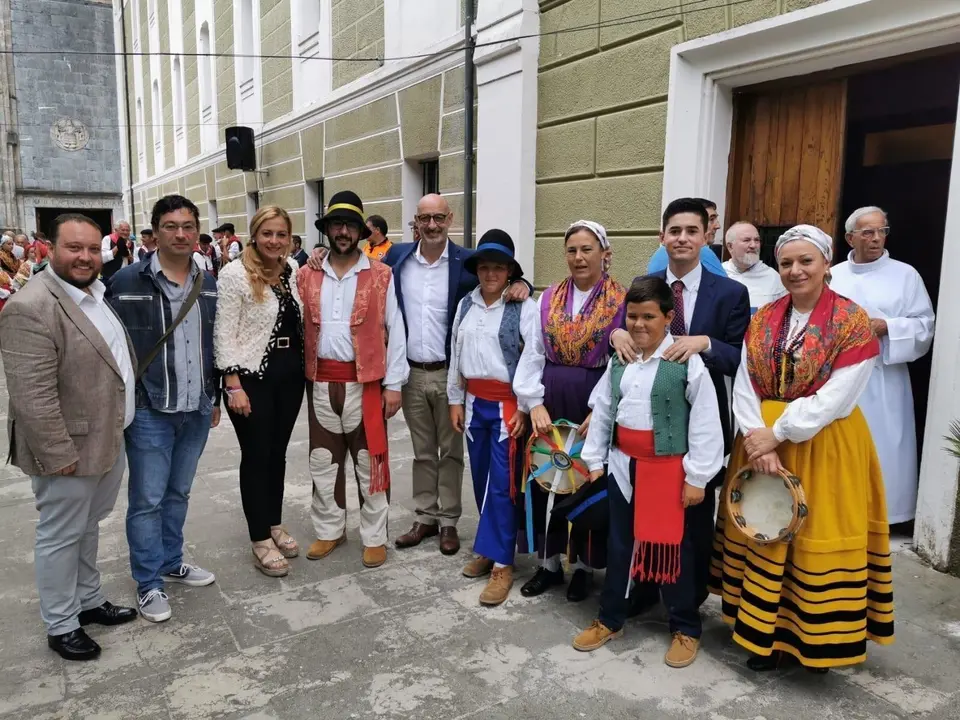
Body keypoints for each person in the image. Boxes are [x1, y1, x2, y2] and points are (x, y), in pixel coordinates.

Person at [710, 224, 894, 672]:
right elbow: (746, 384)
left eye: (805, 261)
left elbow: (839, 394)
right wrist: (757, 437)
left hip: (822, 443)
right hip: (759, 442)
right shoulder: (766, 316)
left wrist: (781, 432)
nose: (795, 270)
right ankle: (763, 634)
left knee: (811, 534)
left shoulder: (851, 321)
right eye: (787, 262)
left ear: (826, 264)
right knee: (765, 527)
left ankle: (811, 636)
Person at [0, 213, 137, 660]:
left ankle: (88, 599)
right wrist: (58, 455)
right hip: (68, 450)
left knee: (88, 526)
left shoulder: (94, 294)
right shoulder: (29, 306)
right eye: (74, 248)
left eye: (93, 248)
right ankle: (61, 624)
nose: (85, 256)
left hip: (106, 438)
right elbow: (31, 396)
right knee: (60, 534)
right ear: (50, 249)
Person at [575, 276, 723, 667]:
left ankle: (685, 627)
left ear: (668, 318)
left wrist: (697, 477)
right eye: (633, 316)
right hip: (623, 467)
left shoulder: (685, 363)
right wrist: (594, 461)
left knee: (673, 548)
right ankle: (611, 617)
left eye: (649, 317)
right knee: (620, 543)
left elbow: (706, 421)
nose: (639, 325)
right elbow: (605, 410)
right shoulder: (620, 360)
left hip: (669, 470)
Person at [611, 197, 750, 613]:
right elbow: (630, 331)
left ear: (707, 236)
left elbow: (741, 358)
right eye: (675, 231)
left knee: (692, 516)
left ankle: (687, 603)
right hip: (648, 424)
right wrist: (615, 335)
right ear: (662, 237)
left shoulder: (729, 292)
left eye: (692, 231)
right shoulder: (644, 283)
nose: (683, 238)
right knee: (642, 513)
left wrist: (703, 343)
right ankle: (645, 587)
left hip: (699, 423)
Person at [373, 194, 531, 556]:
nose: (432, 225)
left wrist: (522, 283)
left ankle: (449, 522)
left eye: (439, 218)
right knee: (422, 451)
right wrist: (316, 257)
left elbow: (501, 273)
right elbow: (362, 270)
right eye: (425, 218)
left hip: (451, 374)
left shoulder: (466, 260)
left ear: (450, 219)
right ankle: (425, 515)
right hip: (412, 372)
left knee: (452, 452)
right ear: (416, 220)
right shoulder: (397, 258)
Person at [105, 196, 219, 624]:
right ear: (154, 232)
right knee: (147, 498)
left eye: (188, 225)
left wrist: (213, 397)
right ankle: (149, 582)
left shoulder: (207, 281)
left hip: (196, 405)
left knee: (179, 492)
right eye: (171, 226)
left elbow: (212, 343)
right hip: (152, 407)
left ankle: (172, 561)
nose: (181, 233)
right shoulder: (126, 281)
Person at [297, 191, 408, 569]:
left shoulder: (381, 275)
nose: (343, 231)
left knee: (369, 461)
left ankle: (375, 536)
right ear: (326, 229)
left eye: (350, 225)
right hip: (320, 383)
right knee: (323, 461)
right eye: (336, 224)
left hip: (366, 384)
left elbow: (397, 329)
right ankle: (330, 529)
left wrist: (394, 384)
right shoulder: (307, 273)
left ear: (361, 231)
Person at [520, 220, 626, 603]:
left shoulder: (622, 301)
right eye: (572, 250)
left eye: (587, 250)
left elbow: (620, 363)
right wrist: (534, 403)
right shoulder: (546, 299)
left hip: (593, 399)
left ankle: (582, 567)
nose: (579, 258)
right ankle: (548, 563)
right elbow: (532, 353)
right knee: (547, 475)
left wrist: (601, 410)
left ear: (604, 254)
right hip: (551, 397)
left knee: (585, 479)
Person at [448, 229, 546, 606]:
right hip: (474, 404)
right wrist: (455, 398)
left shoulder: (523, 307)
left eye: (499, 268)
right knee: (480, 480)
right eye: (485, 267)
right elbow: (456, 354)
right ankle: (488, 549)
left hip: (507, 406)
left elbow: (533, 358)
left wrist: (524, 405)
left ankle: (503, 563)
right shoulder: (466, 306)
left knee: (503, 487)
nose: (491, 274)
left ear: (510, 272)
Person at [830, 207, 935, 527]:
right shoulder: (833, 275)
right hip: (840, 376)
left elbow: (925, 325)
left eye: (881, 231)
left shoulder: (906, 275)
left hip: (884, 377)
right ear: (850, 238)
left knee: (886, 444)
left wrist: (887, 326)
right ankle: (838, 512)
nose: (876, 238)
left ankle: (885, 516)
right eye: (867, 232)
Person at [215, 207, 305, 577]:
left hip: (289, 375)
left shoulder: (291, 271)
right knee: (256, 455)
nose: (274, 241)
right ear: (254, 234)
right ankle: (258, 539)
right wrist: (231, 383)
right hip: (251, 378)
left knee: (278, 454)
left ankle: (273, 522)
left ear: (289, 238)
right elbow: (223, 332)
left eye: (281, 234)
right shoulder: (234, 274)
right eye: (267, 233)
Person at [647, 199, 726, 276]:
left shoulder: (660, 253)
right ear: (662, 237)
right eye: (711, 219)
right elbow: (723, 286)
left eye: (691, 231)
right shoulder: (702, 252)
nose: (718, 226)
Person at [722, 222, 786, 313]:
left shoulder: (774, 279)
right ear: (730, 246)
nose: (753, 245)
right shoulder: (718, 273)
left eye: (757, 240)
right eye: (747, 240)